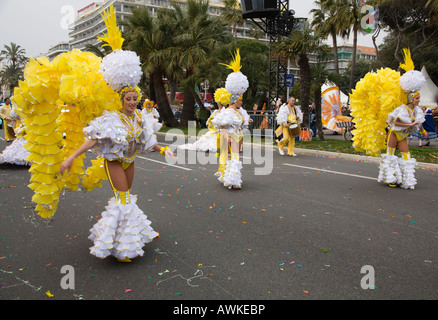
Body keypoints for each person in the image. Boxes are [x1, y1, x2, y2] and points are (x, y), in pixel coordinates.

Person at [212, 50, 249, 189]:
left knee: (234, 157)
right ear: (236, 100)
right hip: (228, 137)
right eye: (240, 100)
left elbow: (240, 124)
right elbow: (222, 126)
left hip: (236, 137)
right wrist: (227, 136)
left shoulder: (238, 112)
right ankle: (228, 178)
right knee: (228, 156)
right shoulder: (228, 112)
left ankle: (232, 179)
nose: (241, 102)